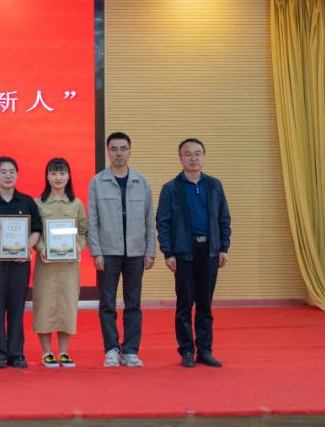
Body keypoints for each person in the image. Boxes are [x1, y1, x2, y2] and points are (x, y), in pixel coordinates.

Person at [156, 138, 231, 368]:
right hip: (183, 253)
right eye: (187, 154)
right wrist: (168, 252)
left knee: (205, 304)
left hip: (209, 251)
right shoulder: (171, 188)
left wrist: (223, 247)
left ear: (204, 157)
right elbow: (163, 222)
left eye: (197, 153)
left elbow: (224, 218)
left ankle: (205, 351)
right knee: (185, 304)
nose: (193, 158)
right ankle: (187, 351)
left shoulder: (214, 185)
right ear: (180, 158)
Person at [87, 132, 156, 368]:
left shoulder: (141, 182)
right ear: (108, 151)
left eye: (123, 148)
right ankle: (111, 349)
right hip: (108, 251)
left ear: (130, 151)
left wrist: (150, 251)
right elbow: (92, 220)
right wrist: (96, 252)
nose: (119, 153)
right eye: (114, 149)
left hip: (136, 252)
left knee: (133, 302)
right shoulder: (97, 182)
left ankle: (130, 351)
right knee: (107, 303)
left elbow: (149, 219)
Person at [0, 156, 41, 369]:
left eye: (12, 171)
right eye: (3, 171)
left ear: (17, 175)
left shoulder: (27, 201)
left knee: (17, 306)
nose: (8, 175)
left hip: (20, 259)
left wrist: (27, 248)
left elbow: (36, 229)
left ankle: (16, 353)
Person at [32, 158, 88, 368]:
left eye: (62, 173)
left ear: (69, 176)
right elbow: (34, 232)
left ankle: (64, 352)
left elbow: (83, 232)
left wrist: (77, 247)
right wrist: (41, 248)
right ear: (47, 177)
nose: (58, 177)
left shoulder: (76, 204)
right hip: (45, 264)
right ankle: (47, 352)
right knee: (44, 305)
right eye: (53, 173)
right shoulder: (38, 203)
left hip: (69, 266)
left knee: (67, 305)